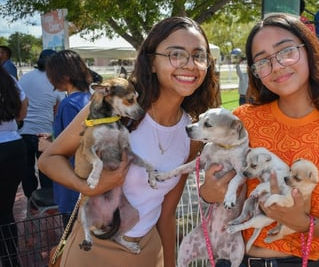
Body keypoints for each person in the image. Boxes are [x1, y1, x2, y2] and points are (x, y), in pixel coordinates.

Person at [200, 14, 319, 267]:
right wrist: (209, 192)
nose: (276, 65)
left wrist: (304, 223)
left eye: (286, 51)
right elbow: (213, 185)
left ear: (308, 51)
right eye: (262, 60)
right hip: (232, 257)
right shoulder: (243, 122)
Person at [38, 16, 220, 267]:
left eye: (199, 56)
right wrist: (88, 187)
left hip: (147, 251)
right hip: (94, 250)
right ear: (152, 63)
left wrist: (169, 262)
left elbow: (166, 215)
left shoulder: (191, 133)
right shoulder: (115, 109)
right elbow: (49, 159)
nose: (190, 64)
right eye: (176, 54)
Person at [37, 50, 92, 227]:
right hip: (90, 185)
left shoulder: (69, 105)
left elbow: (72, 149)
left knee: (72, 241)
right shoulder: (90, 100)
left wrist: (47, 146)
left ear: (64, 75)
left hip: (73, 186)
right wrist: (55, 139)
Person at [18, 49, 63, 199]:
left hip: (23, 131)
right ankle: (47, 200)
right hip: (45, 133)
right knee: (46, 169)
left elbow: (18, 102)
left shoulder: (25, 78)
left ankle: (31, 199)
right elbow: (58, 110)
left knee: (26, 169)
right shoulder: (56, 80)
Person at [0, 66, 28, 267]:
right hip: (13, 146)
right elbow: (22, 110)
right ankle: (11, 261)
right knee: (5, 211)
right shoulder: (8, 80)